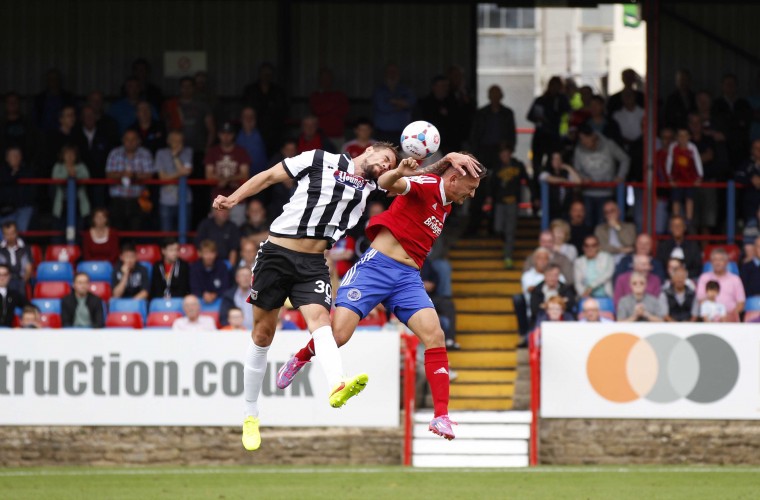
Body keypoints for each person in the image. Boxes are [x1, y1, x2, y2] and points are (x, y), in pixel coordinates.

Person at [212, 139, 479, 451]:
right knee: (264, 334)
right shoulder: (319, 159)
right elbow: (270, 176)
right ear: (368, 150)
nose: (386, 165)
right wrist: (234, 198)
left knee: (324, 322)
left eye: (391, 163)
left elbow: (403, 179)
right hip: (279, 252)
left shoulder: (370, 185)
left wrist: (436, 161)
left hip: (316, 262)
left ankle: (340, 385)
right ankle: (251, 412)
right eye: (384, 158)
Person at [278, 154, 484, 442]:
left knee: (435, 335)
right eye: (471, 186)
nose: (473, 193)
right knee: (339, 335)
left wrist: (444, 160)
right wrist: (404, 169)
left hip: (408, 280)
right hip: (375, 269)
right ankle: (299, 359)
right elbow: (387, 184)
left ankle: (441, 416)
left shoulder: (446, 202)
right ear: (453, 178)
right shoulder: (426, 184)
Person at [574, 124, 630, 227]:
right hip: (588, 193)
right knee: (587, 223)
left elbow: (625, 159)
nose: (583, 142)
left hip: (607, 193)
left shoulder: (609, 145)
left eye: (585, 138)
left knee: (604, 224)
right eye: (581, 139)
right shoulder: (579, 149)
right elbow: (576, 170)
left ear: (593, 136)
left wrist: (620, 176)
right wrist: (583, 178)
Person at [105, 129, 155, 231]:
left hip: (138, 200)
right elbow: (108, 174)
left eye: (133, 139)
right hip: (118, 199)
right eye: (127, 139)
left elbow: (150, 175)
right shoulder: (115, 153)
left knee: (136, 231)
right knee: (118, 230)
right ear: (123, 140)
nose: (130, 142)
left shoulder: (145, 154)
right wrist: (123, 174)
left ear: (138, 141)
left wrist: (135, 176)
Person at [488, 145, 529, 269]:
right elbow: (490, 184)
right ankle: (506, 244)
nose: (504, 156)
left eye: (506, 153)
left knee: (510, 231)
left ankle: (508, 257)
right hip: (500, 202)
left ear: (510, 154)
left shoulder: (518, 165)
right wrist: (489, 198)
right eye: (502, 154)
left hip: (513, 202)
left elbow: (527, 180)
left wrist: (535, 196)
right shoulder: (496, 167)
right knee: (498, 228)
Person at [205, 122, 251, 225]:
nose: (226, 136)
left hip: (238, 199)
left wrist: (226, 180)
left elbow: (245, 175)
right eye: (223, 133)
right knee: (217, 229)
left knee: (238, 228)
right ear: (219, 135)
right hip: (218, 199)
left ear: (233, 135)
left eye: (229, 133)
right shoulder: (213, 151)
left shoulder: (241, 151)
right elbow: (208, 175)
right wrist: (231, 180)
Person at [469, 85, 516, 173]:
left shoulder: (507, 113)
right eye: (493, 94)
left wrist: (509, 148)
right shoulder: (481, 113)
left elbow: (511, 133)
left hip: (501, 150)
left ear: (501, 96)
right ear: (489, 96)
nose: (495, 97)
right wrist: (474, 151)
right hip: (483, 150)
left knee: (500, 176)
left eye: (497, 94)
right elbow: (475, 133)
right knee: (482, 176)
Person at [155, 129, 193, 232]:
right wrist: (180, 174)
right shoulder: (161, 153)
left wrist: (175, 157)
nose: (176, 143)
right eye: (174, 140)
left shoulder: (187, 152)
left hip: (185, 199)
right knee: (166, 234)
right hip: (166, 199)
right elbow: (162, 178)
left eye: (179, 141)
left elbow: (186, 173)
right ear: (168, 141)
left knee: (184, 232)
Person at [696, 248, 745, 322]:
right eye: (715, 260)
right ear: (711, 262)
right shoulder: (704, 278)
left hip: (730, 319)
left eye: (721, 260)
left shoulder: (735, 279)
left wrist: (729, 316)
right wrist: (713, 314)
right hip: (709, 318)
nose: (717, 262)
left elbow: (741, 303)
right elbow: (700, 300)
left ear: (726, 262)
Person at [51, 144, 91, 236]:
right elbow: (55, 179)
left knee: (78, 231)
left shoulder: (81, 167)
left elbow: (87, 178)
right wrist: (68, 174)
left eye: (72, 154)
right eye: (67, 154)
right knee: (60, 231)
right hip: (61, 205)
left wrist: (75, 175)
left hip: (79, 204)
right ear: (62, 155)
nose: (69, 156)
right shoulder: (58, 167)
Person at [666, 127, 703, 224]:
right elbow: (669, 162)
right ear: (676, 137)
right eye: (680, 136)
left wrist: (699, 177)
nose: (682, 138)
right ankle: (676, 220)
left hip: (689, 178)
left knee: (689, 199)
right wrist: (670, 178)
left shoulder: (692, 147)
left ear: (689, 137)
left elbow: (698, 162)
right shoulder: (673, 147)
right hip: (677, 179)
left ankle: (689, 221)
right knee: (676, 199)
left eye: (685, 135)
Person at [372, 63, 416, 142]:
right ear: (385, 74)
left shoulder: (406, 89)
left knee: (403, 154)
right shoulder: (380, 90)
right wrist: (401, 105)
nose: (392, 74)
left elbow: (410, 103)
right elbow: (383, 107)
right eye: (390, 72)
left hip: (403, 134)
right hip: (382, 133)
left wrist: (391, 101)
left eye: (394, 72)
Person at [309, 68, 349, 151]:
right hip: (320, 137)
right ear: (319, 80)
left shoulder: (340, 95)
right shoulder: (315, 96)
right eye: (323, 78)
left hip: (337, 135)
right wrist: (333, 105)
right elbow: (317, 110)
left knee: (339, 161)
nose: (325, 80)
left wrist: (326, 106)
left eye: (327, 78)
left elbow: (344, 110)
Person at [0, 146, 35, 233]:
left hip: (23, 207)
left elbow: (30, 194)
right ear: (7, 158)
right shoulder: (2, 173)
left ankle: (19, 245)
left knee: (19, 231)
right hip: (6, 209)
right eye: (12, 155)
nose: (15, 157)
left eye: (17, 155)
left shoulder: (27, 172)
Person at [655, 215, 702, 279]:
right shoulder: (663, 246)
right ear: (671, 228)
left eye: (679, 225)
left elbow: (698, 268)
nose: (677, 228)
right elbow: (659, 266)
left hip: (688, 279)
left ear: (684, 227)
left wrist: (684, 274)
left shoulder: (693, 247)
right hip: (667, 280)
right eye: (674, 226)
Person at [594, 200, 636, 265]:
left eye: (612, 211)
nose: (609, 214)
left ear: (618, 212)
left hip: (625, 262)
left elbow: (629, 242)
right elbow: (601, 248)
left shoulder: (629, 227)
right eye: (606, 212)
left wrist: (617, 227)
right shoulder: (600, 229)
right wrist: (621, 250)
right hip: (605, 263)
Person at [574, 235, 615, 299]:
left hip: (605, 296)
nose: (590, 248)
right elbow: (578, 282)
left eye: (593, 245)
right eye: (586, 245)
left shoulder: (606, 257)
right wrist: (583, 294)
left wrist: (591, 286)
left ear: (598, 246)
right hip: (585, 297)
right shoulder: (579, 261)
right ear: (583, 247)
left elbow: (608, 274)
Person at [190, 240, 230, 305]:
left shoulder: (222, 266)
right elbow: (194, 288)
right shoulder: (195, 268)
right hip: (200, 301)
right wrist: (203, 294)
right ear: (200, 254)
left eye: (212, 253)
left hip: (220, 301)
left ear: (216, 254)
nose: (209, 256)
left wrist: (215, 294)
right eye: (206, 253)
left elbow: (226, 287)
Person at [0, 221, 33, 296]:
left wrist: (23, 282)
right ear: (3, 235)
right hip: (3, 281)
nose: (10, 236)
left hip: (21, 281)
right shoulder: (0, 250)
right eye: (7, 234)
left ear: (16, 233)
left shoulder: (25, 248)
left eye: (12, 233)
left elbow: (28, 268)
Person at [236, 107, 268, 178]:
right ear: (241, 119)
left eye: (251, 117)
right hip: (240, 180)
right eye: (246, 116)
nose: (248, 119)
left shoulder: (265, 135)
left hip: (261, 179)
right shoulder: (234, 135)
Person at [220, 266, 254, 331]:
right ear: (237, 278)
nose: (245, 278)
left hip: (254, 332)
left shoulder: (259, 296)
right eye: (242, 276)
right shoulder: (228, 296)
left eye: (248, 276)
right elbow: (223, 318)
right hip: (234, 333)